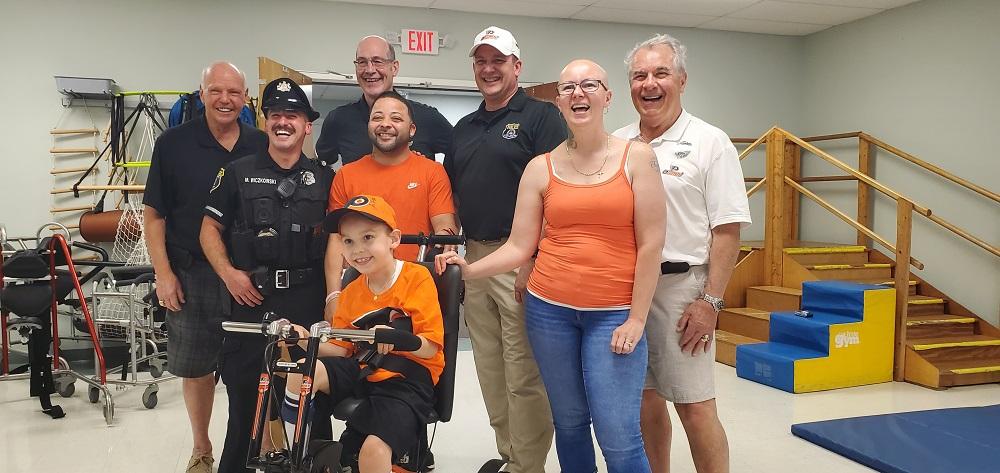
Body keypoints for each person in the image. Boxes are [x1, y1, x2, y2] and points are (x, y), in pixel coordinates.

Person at [438, 58, 665, 473]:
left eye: (590, 85)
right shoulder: (540, 167)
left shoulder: (638, 158)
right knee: (571, 424)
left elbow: (651, 244)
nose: (578, 93)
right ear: (558, 101)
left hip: (613, 314)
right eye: (568, 88)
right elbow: (520, 245)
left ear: (608, 97)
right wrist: (468, 269)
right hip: (550, 313)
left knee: (618, 436)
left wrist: (636, 318)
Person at [613, 34, 751, 473]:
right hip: (626, 291)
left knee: (694, 406)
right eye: (639, 75)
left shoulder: (711, 142)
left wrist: (710, 301)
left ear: (682, 80)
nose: (649, 84)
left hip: (681, 289)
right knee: (643, 401)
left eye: (660, 73)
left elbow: (727, 230)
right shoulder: (617, 142)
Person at [443, 25, 566, 473]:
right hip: (474, 256)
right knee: (491, 371)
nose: (489, 69)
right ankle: (509, 454)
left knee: (522, 372)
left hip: (521, 260)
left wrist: (534, 260)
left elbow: (558, 193)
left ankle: (528, 464)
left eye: (499, 60)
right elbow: (456, 195)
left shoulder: (540, 117)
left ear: (517, 66)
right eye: (481, 61)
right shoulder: (464, 128)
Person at [200, 77, 333, 473]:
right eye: (276, 114)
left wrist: (334, 298)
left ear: (307, 125)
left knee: (313, 404)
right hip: (251, 301)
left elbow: (339, 243)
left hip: (307, 301)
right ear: (266, 121)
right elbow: (208, 229)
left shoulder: (326, 179)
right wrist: (228, 275)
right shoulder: (237, 172)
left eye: (292, 115)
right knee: (245, 406)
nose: (283, 122)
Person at [143, 61, 267, 473]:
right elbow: (154, 215)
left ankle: (259, 447)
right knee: (197, 368)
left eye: (234, 92)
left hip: (250, 278)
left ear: (246, 98)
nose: (225, 99)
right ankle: (201, 448)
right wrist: (164, 275)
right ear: (201, 95)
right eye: (216, 90)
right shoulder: (173, 143)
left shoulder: (260, 143)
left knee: (253, 367)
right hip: (191, 274)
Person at [283, 194, 444, 473]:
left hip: (406, 380)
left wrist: (394, 338)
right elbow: (341, 348)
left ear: (393, 239)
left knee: (372, 453)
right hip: (362, 370)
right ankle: (293, 451)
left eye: (368, 237)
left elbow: (430, 347)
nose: (358, 249)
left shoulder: (416, 278)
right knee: (301, 371)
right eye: (349, 241)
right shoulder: (352, 290)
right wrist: (305, 339)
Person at [327, 90, 458, 264]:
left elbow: (444, 226)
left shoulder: (432, 172)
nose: (385, 124)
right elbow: (337, 241)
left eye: (396, 119)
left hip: (416, 281)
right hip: (360, 283)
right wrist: (334, 291)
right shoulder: (346, 175)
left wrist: (445, 239)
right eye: (377, 118)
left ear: (412, 130)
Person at [316, 35, 453, 166]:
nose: (370, 70)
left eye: (377, 61)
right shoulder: (338, 119)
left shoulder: (427, 117)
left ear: (394, 68)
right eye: (362, 62)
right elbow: (323, 165)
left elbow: (461, 156)